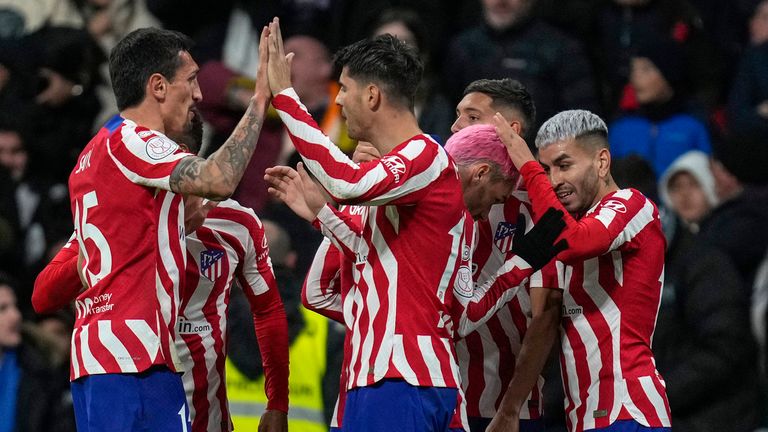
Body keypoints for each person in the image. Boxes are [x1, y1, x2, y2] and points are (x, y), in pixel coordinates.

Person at [264, 20, 566, 431]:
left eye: (346, 90)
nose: (340, 102)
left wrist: (285, 97)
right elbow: (460, 315)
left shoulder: (425, 156)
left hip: (394, 377)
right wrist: (322, 214)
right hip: (431, 380)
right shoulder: (436, 201)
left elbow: (345, 184)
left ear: (372, 95)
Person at [65, 26, 273, 431]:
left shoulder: (95, 150)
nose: (198, 94)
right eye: (191, 80)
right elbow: (217, 178)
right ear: (157, 86)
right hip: (135, 357)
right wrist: (261, 98)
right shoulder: (136, 140)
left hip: (98, 357)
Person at [492, 109, 671, 431]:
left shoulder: (633, 205)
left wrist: (529, 167)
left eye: (564, 165)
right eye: (546, 169)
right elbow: (543, 322)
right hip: (582, 416)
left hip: (629, 409)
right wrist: (510, 407)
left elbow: (577, 242)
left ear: (602, 162)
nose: (554, 180)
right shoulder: (565, 230)